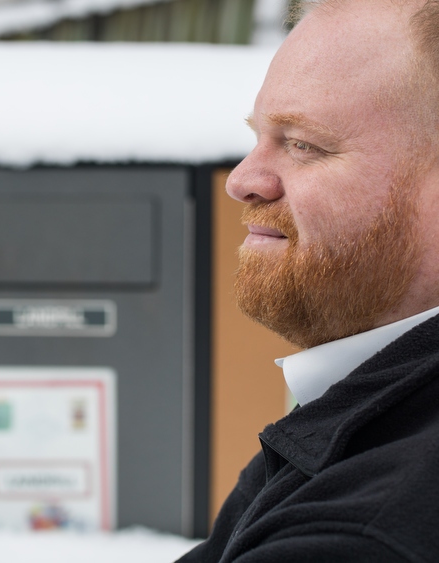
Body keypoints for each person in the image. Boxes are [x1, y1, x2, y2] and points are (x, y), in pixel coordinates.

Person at [177, 0, 439, 561]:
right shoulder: (362, 415)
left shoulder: (360, 534)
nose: (242, 181)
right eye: (259, 136)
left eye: (303, 144)